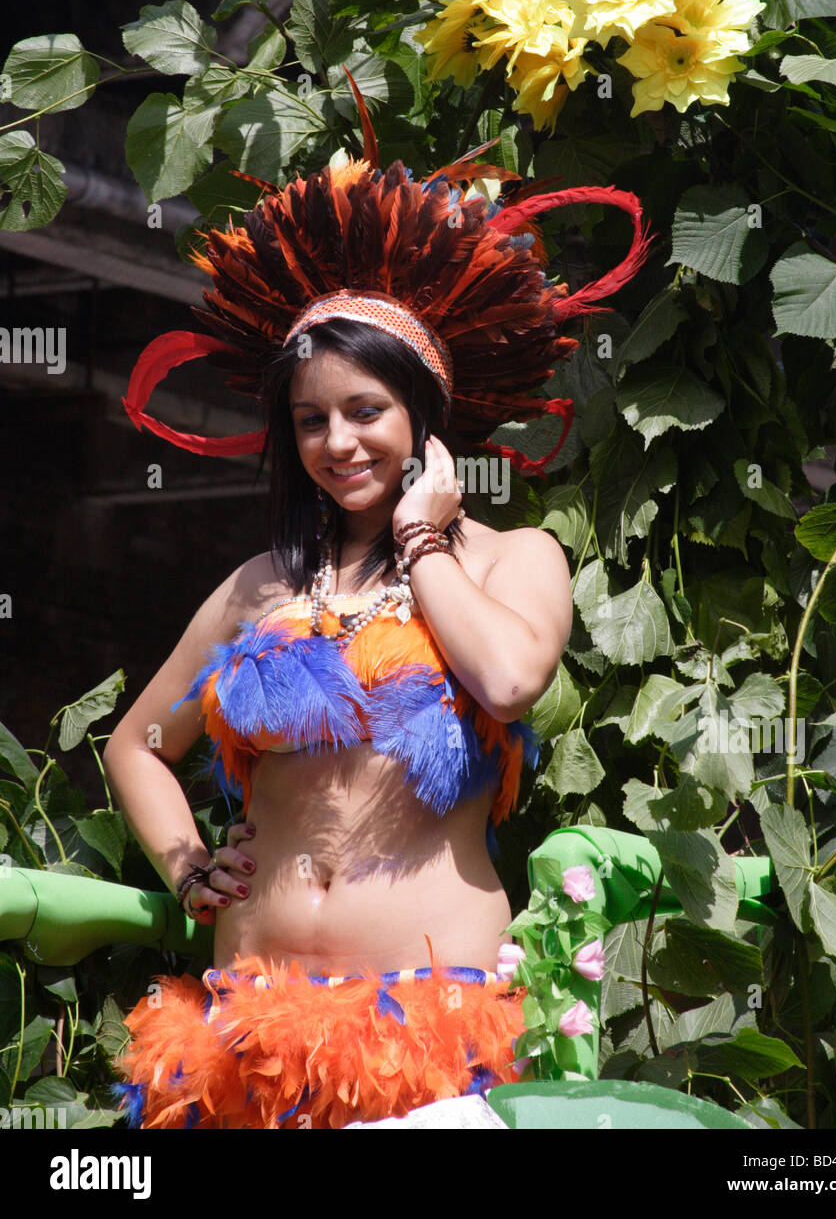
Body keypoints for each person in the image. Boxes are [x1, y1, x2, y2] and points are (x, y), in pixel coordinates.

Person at [107, 104, 650, 1128]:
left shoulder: (512, 557)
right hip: (247, 1037)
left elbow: (506, 679)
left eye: (366, 411)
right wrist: (186, 864)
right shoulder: (260, 584)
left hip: (428, 1038)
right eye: (310, 420)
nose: (336, 441)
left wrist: (426, 543)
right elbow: (138, 742)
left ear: (425, 420)